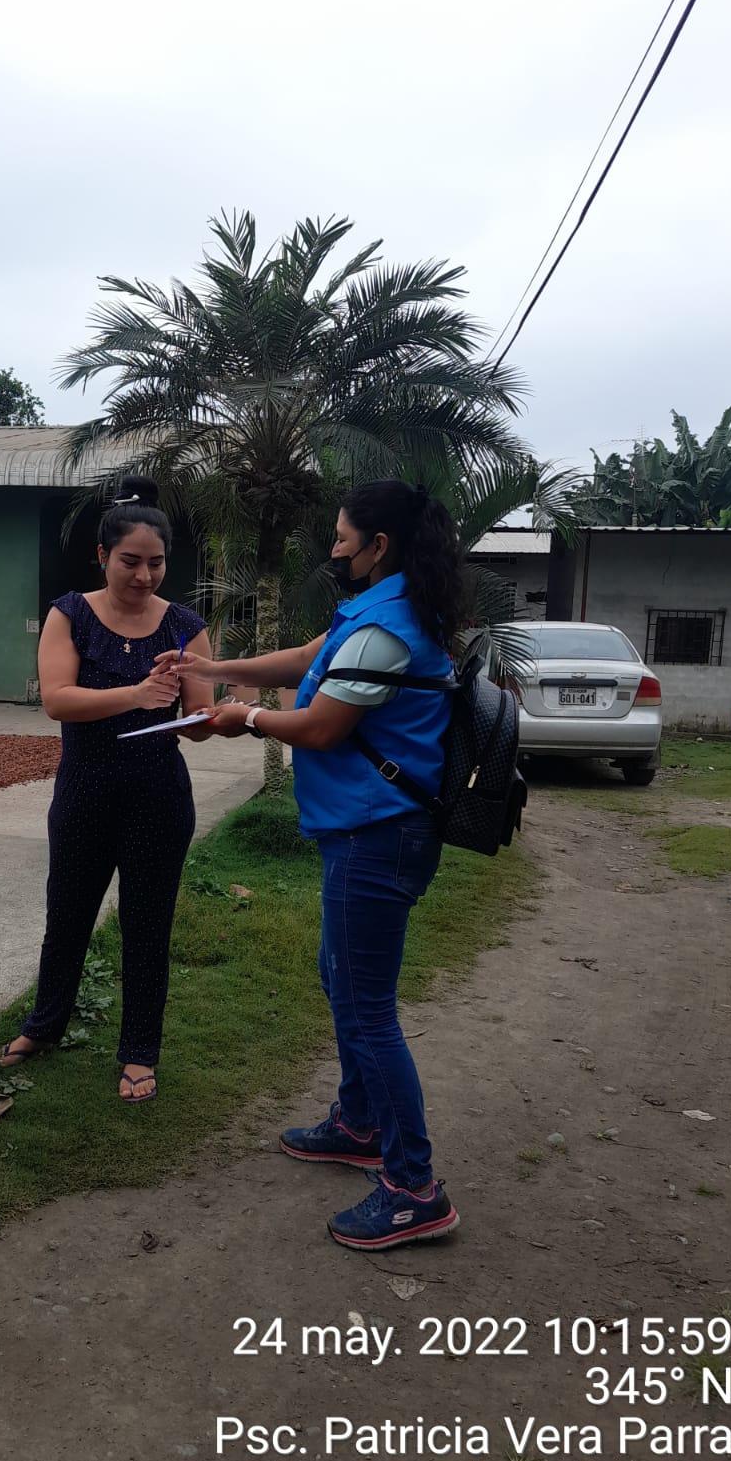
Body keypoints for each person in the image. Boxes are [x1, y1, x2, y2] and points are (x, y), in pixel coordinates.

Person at [158, 480, 462, 1248]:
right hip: (361, 829)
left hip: (377, 835)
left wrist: (244, 718)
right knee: (341, 980)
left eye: (341, 538)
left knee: (367, 1009)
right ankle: (360, 1124)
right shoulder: (376, 611)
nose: (333, 549)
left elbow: (323, 727)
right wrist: (214, 669)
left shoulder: (388, 626)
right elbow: (307, 658)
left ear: (378, 546)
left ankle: (414, 1188)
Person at [0, 474, 215, 1101]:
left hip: (159, 798)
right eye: (130, 561)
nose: (144, 576)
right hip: (84, 793)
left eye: (156, 563)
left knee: (148, 927)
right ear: (103, 555)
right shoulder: (69, 615)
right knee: (66, 916)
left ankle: (140, 1053)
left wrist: (221, 709)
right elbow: (58, 701)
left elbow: (198, 723)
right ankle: (45, 1025)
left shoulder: (185, 626)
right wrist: (138, 694)